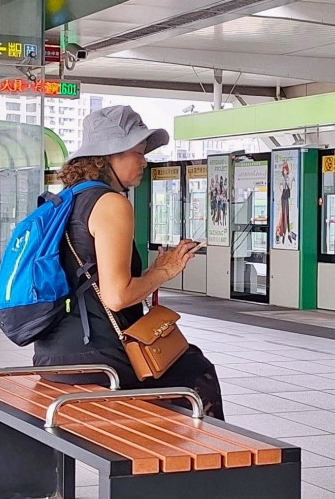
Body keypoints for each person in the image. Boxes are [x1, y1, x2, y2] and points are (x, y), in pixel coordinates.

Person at [34, 105, 225, 420]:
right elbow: (117, 296)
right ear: (108, 156)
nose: (144, 161)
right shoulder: (111, 203)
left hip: (52, 354)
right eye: (137, 152)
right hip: (97, 360)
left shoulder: (68, 199)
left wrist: (150, 273)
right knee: (195, 369)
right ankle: (210, 465)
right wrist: (165, 271)